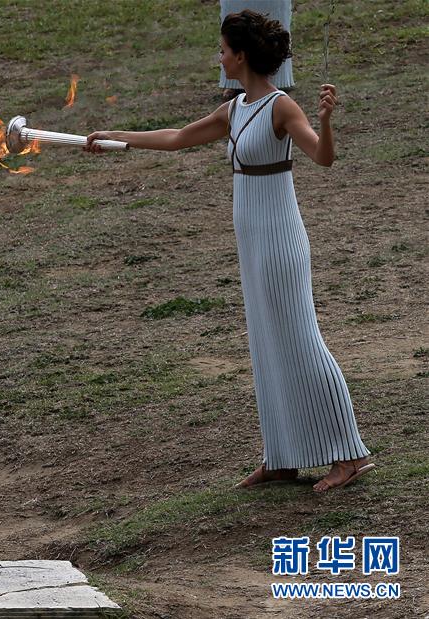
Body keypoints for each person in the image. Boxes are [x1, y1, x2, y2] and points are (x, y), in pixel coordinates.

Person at [86, 10, 373, 493]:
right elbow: (177, 138)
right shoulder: (235, 108)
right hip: (251, 240)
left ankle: (349, 455)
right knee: (265, 344)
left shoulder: (283, 107)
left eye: (222, 50)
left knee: (301, 341)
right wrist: (117, 138)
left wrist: (324, 121)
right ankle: (281, 458)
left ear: (241, 55)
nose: (218, 57)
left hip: (281, 240)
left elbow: (322, 158)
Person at [220, 0, 294, 101]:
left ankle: (272, 81)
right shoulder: (231, 107)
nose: (219, 59)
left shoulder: (284, 108)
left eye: (222, 52)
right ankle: (237, 85)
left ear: (240, 57)